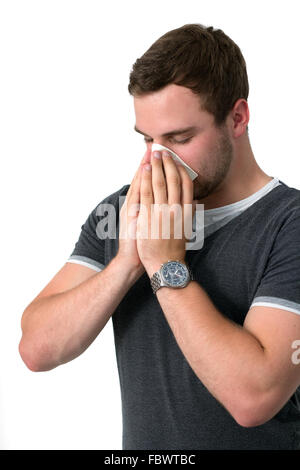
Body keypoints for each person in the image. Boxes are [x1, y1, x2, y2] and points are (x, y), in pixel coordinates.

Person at [19, 23, 300, 450]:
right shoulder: (123, 209)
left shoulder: (289, 223)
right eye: (148, 139)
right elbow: (36, 349)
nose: (156, 159)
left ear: (237, 118)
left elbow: (254, 398)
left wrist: (166, 266)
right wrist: (128, 262)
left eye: (179, 138)